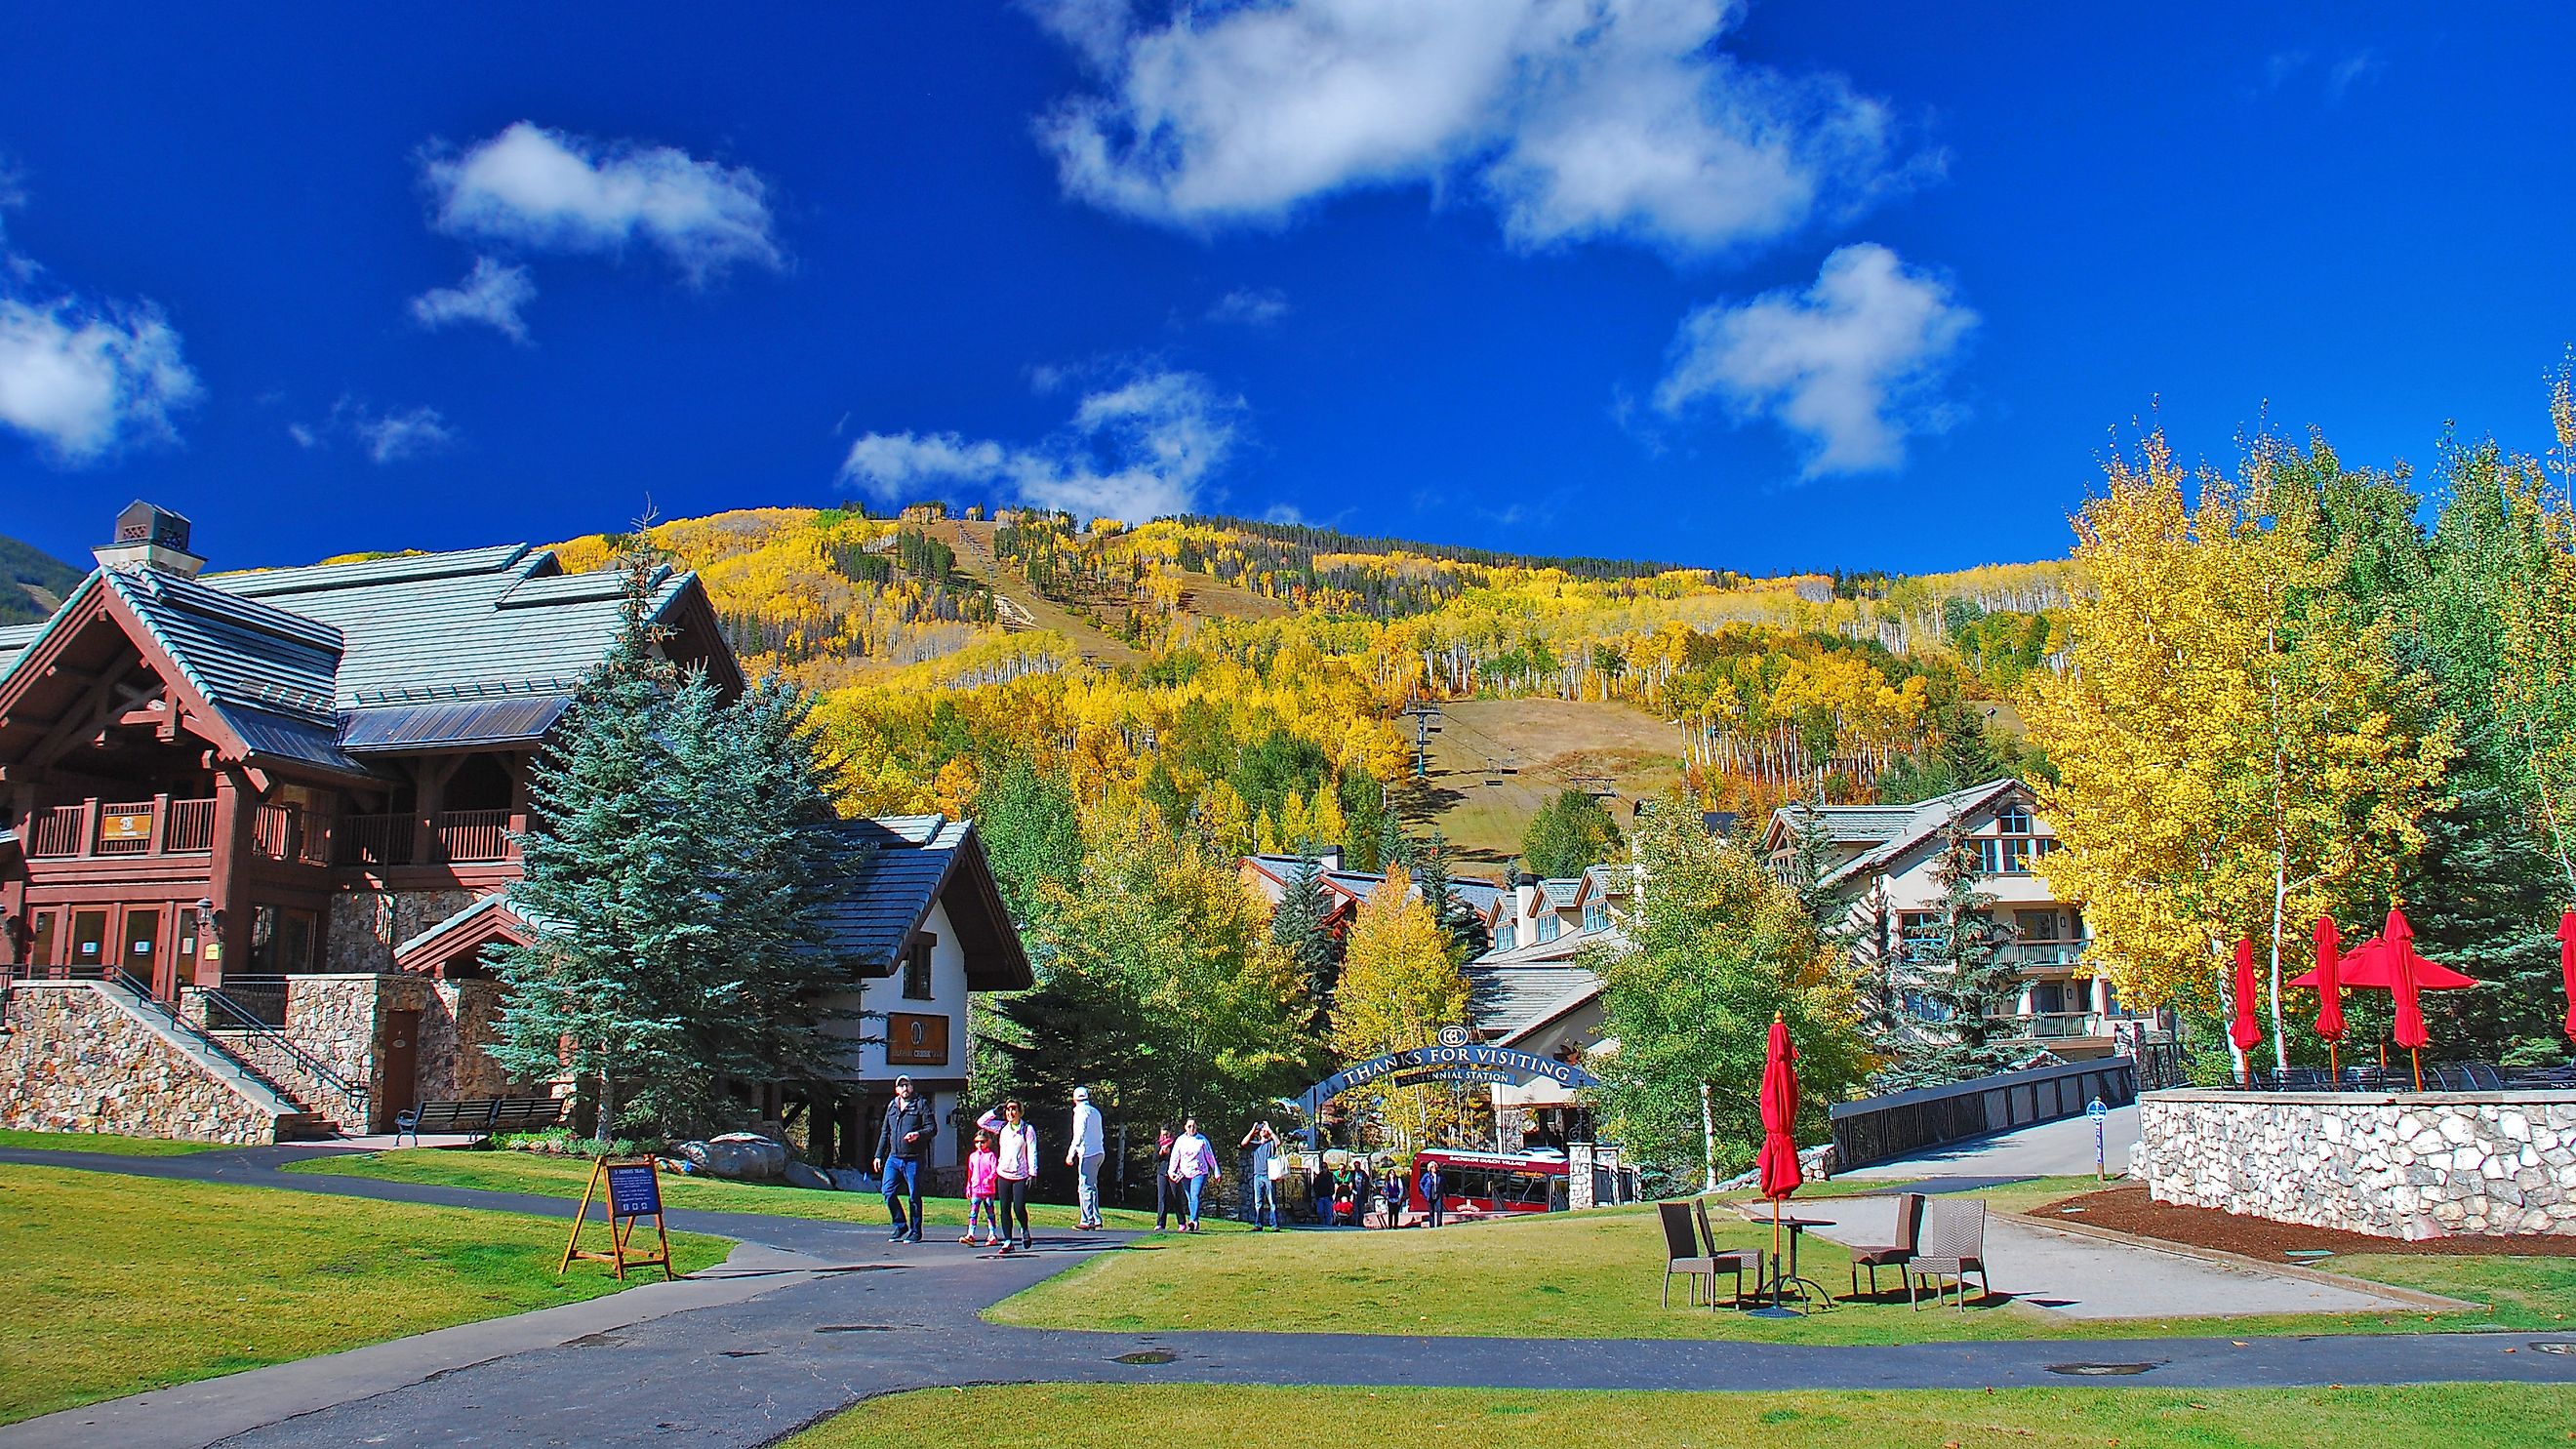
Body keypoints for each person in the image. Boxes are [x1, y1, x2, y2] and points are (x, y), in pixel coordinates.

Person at [872, 1075, 936, 1244]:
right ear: (896, 1090)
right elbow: (885, 1132)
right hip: (894, 1158)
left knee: (914, 1194)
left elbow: (932, 1128)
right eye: (901, 1086)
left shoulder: (921, 1104)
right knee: (887, 1191)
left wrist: (918, 1134)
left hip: (914, 1159)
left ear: (912, 1087)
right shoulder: (892, 1106)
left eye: (907, 1085)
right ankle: (900, 1225)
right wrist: (878, 1155)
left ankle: (916, 1231)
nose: (904, 1089)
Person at [983, 1099, 1039, 1254]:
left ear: (1020, 1112)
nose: (1010, 1112)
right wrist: (995, 1111)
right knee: (1004, 1208)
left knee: (1019, 1207)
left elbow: (1032, 1151)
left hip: (1020, 1174)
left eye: (1014, 1109)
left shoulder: (1027, 1130)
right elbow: (982, 1123)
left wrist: (1032, 1173)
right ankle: (1008, 1241)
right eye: (1008, 1110)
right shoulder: (1001, 1128)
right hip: (1003, 1173)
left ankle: (1024, 1229)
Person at [1166, 1117, 1219, 1231]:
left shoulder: (1202, 1140)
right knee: (1190, 1198)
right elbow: (1175, 1157)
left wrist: (1216, 1171)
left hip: (1199, 1172)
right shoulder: (1180, 1140)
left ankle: (1193, 1220)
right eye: (1189, 1126)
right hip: (1185, 1173)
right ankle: (1195, 1222)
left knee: (1195, 1195)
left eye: (1194, 1126)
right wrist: (1171, 1171)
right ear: (1185, 1127)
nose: (1191, 1129)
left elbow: (1210, 1156)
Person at [1067, 1085, 1107, 1230]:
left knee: (1084, 1187)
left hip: (1088, 1153)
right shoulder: (1095, 1112)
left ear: (1074, 1099)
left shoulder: (1080, 1112)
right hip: (1099, 1151)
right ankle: (1096, 1219)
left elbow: (1079, 1134)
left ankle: (1087, 1219)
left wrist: (1071, 1154)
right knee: (1092, 1186)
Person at [962, 1129, 1001, 1246]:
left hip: (988, 1189)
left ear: (988, 1142)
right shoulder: (973, 1156)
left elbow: (995, 1170)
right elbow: (970, 1172)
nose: (979, 1145)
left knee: (990, 1212)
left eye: (982, 1142)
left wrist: (989, 1179)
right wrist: (968, 1187)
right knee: (973, 1212)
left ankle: (992, 1234)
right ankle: (971, 1233)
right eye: (977, 1142)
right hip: (975, 1189)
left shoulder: (990, 1156)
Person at [1239, 1121, 1281, 1230]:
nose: (1263, 1131)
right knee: (1258, 1202)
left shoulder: (1270, 1144)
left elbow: (1278, 1142)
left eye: (1265, 1130)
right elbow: (1243, 1143)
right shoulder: (1255, 1145)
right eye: (1262, 1130)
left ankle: (1274, 1225)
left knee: (1272, 1202)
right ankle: (1258, 1224)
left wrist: (1270, 1130)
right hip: (1257, 1175)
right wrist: (1253, 1130)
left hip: (1269, 1175)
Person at [1153, 1124, 1179, 1230]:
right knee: (1162, 1198)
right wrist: (1160, 1153)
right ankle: (1160, 1223)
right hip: (1162, 1172)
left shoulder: (1176, 1143)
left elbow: (1178, 1156)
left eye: (1166, 1135)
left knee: (1176, 1197)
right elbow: (1155, 1159)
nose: (1164, 1137)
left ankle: (1181, 1222)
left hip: (1173, 1172)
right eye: (1162, 1135)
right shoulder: (1159, 1143)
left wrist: (1169, 1153)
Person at [1380, 1162, 1407, 1228]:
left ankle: (1395, 1225)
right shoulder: (1387, 1182)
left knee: (1396, 1213)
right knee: (1390, 1213)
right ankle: (1389, 1225)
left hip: (1397, 1198)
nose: (1392, 1175)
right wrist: (1385, 1196)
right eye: (1390, 1173)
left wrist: (1399, 1199)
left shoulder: (1398, 1180)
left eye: (1393, 1173)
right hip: (1390, 1199)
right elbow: (1385, 1190)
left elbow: (1401, 1189)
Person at [1419, 1158, 1444, 1229]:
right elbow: (1421, 1183)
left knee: (1439, 1209)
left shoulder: (1440, 1175)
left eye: (1435, 1167)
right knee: (1431, 1210)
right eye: (1432, 1167)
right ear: (1430, 1168)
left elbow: (1444, 1184)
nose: (1434, 1168)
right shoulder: (1427, 1175)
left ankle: (1439, 1224)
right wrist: (1424, 1190)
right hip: (1430, 1194)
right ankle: (1432, 1225)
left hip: (1438, 1194)